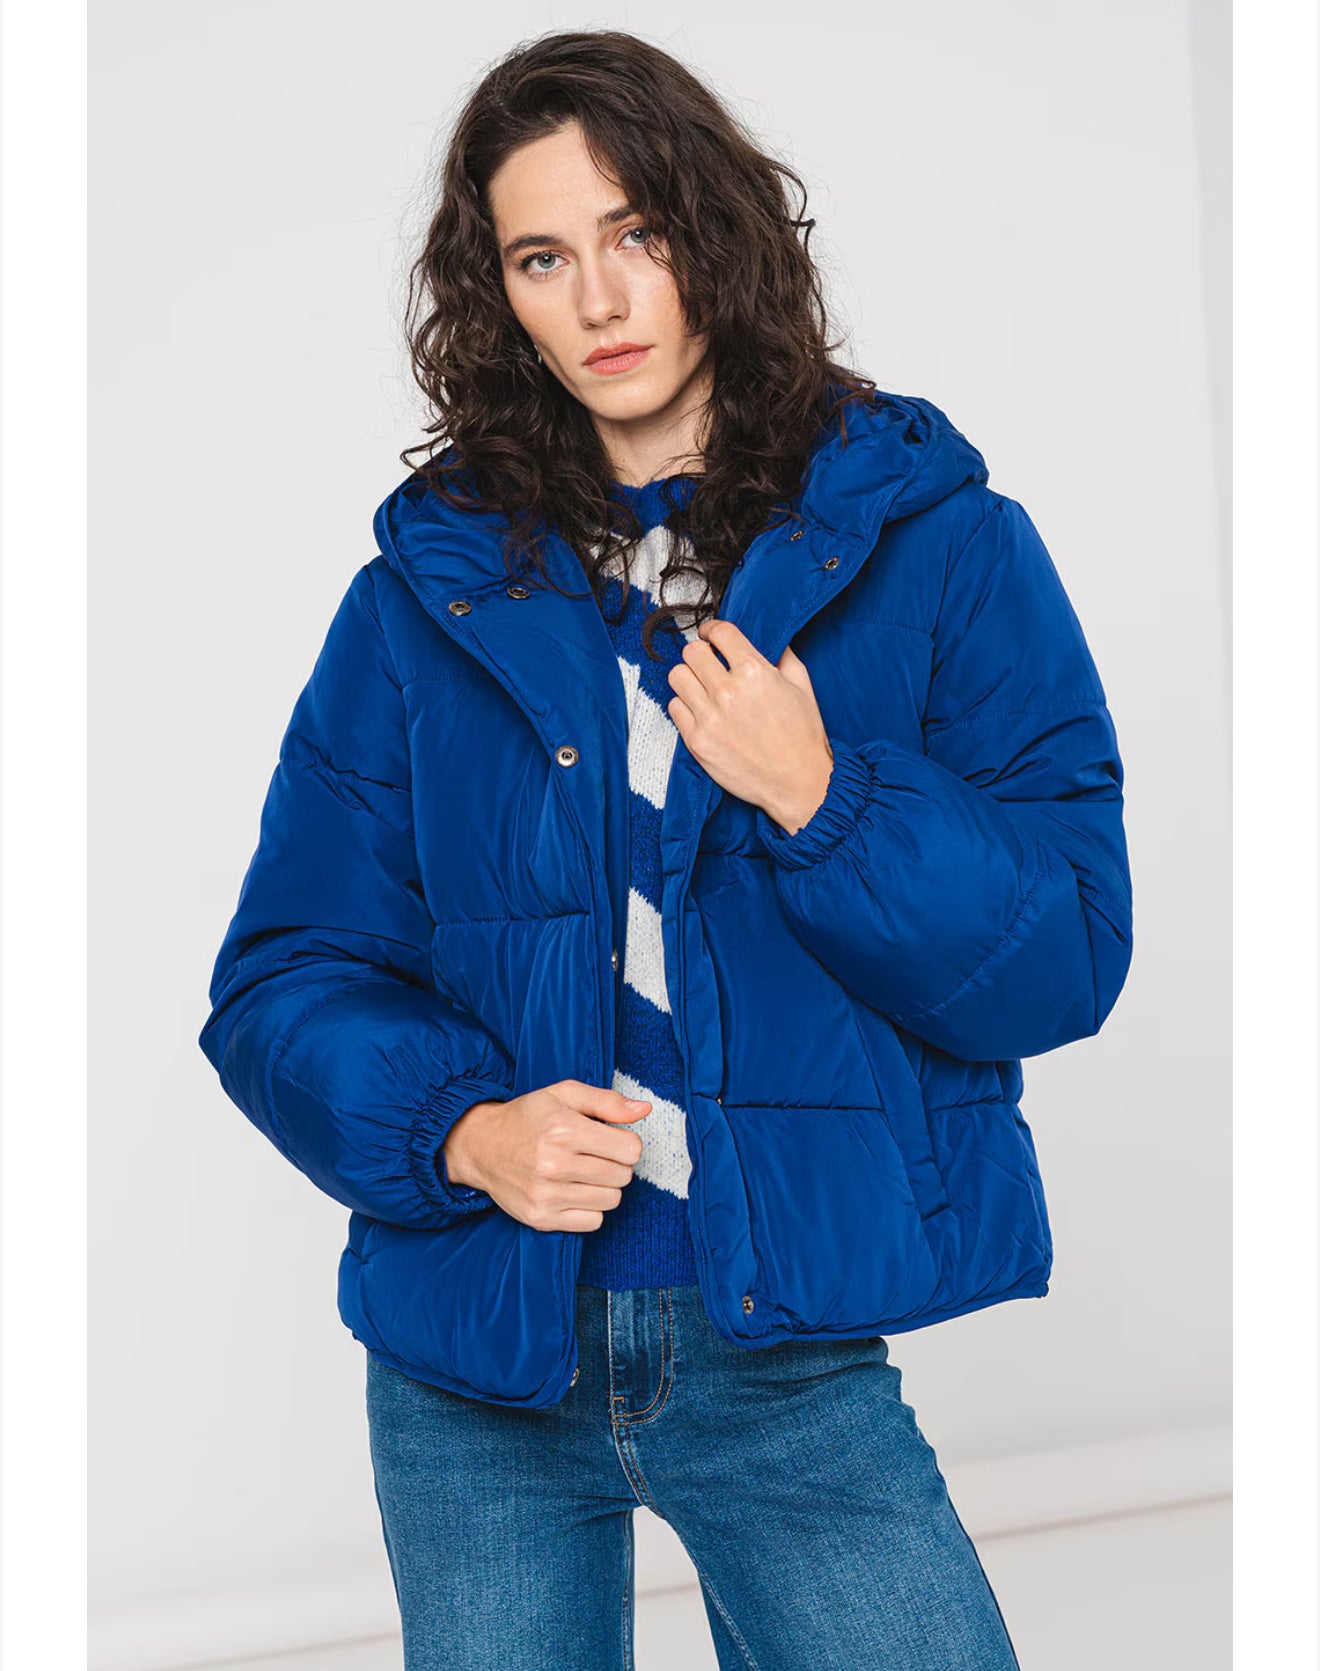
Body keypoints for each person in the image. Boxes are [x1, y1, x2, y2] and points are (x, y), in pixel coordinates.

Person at [198, 27, 1133, 1671]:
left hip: (783, 1348)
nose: (601, 299)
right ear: (498, 295)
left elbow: (1061, 958)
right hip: (477, 1363)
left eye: (636, 232)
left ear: (717, 233)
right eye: (542, 257)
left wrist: (825, 797)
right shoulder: (418, 603)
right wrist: (461, 1131)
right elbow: (283, 981)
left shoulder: (943, 550)